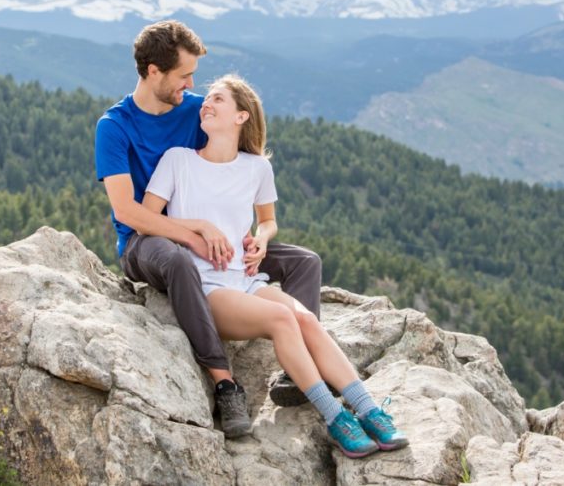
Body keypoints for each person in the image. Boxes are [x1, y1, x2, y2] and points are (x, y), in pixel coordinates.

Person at [142, 74, 408, 457]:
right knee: (283, 319)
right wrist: (199, 226)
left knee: (306, 320)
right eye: (207, 99)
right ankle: (336, 418)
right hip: (207, 286)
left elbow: (267, 220)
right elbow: (150, 218)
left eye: (217, 99)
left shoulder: (256, 168)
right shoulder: (178, 161)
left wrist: (262, 239)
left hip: (247, 279)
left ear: (241, 116)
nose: (206, 104)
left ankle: (368, 409)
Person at [94, 19, 323, 438]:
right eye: (184, 75)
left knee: (304, 262)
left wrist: (256, 237)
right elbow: (127, 211)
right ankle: (224, 382)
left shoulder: (198, 109)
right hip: (145, 242)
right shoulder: (115, 126)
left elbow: (239, 158)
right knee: (180, 260)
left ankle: (298, 371)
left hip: (215, 243)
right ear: (153, 72)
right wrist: (193, 231)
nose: (192, 85)